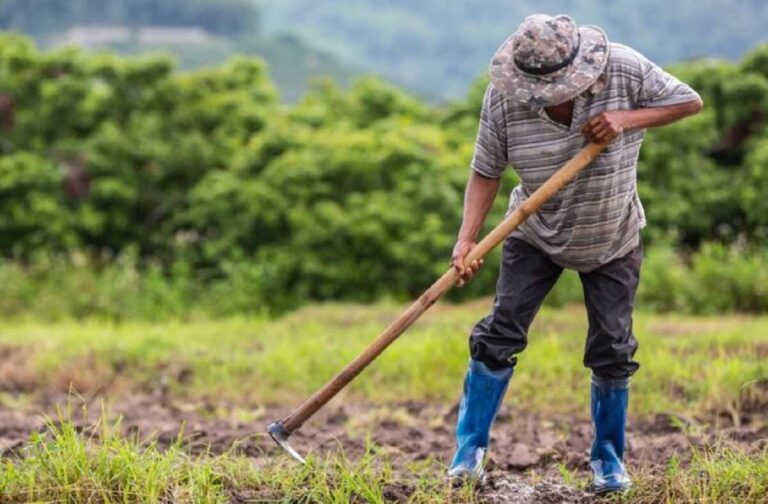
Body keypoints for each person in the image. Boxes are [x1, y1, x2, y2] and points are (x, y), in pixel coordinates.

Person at [448, 13, 702, 494]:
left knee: (612, 347)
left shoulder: (624, 69)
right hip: (534, 230)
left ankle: (608, 462)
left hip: (613, 233)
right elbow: (486, 170)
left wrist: (626, 119)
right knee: (499, 333)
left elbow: (688, 101)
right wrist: (467, 239)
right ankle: (468, 454)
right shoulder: (504, 97)